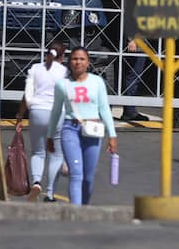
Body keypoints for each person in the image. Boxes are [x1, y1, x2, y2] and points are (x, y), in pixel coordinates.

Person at [46, 46, 118, 205]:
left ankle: (84, 209)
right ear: (69, 61)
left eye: (82, 59)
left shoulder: (97, 82)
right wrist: (50, 135)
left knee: (88, 177)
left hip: (93, 130)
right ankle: (76, 212)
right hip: (70, 129)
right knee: (76, 174)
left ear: (88, 62)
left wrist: (112, 135)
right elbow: (56, 111)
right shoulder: (62, 84)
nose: (78, 62)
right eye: (74, 59)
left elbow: (104, 109)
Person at [15, 41, 68, 201]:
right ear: (63, 56)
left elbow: (27, 94)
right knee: (56, 155)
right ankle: (50, 193)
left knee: (38, 152)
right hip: (57, 113)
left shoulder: (35, 68)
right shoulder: (64, 71)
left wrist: (20, 115)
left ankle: (36, 183)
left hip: (37, 111)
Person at [121, 0, 154, 121]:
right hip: (136, 40)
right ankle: (129, 110)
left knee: (134, 75)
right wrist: (132, 39)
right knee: (133, 75)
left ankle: (130, 109)